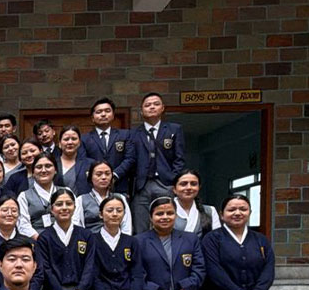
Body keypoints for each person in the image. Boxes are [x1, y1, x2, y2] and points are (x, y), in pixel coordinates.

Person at [131, 92, 186, 232]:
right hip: (142, 186)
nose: (152, 107)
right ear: (141, 111)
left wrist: (173, 179)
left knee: (165, 223)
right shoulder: (134, 133)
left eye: (156, 104)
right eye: (147, 105)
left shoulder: (174, 129)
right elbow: (131, 160)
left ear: (162, 108)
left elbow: (179, 158)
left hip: (165, 183)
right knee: (140, 226)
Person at [82, 97, 136, 195]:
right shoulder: (84, 139)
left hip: (120, 186)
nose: (103, 114)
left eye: (107, 111)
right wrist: (100, 174)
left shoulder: (125, 135)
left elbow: (130, 159)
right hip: (94, 189)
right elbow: (84, 160)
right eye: (99, 112)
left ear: (113, 115)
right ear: (92, 118)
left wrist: (114, 175)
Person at [80, 161, 132, 234]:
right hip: (90, 242)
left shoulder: (120, 198)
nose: (104, 177)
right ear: (90, 176)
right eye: (99, 174)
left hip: (116, 242)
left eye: (107, 174)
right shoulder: (81, 200)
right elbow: (78, 227)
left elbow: (126, 227)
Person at [172, 170, 222, 237]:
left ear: (199, 187)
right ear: (174, 189)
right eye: (183, 184)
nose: (189, 187)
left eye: (193, 184)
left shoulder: (210, 211)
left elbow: (216, 239)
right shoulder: (164, 210)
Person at [17, 154, 58, 235]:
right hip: (36, 242)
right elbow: (23, 225)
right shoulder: (24, 196)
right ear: (33, 172)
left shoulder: (66, 192)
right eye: (39, 167)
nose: (43, 170)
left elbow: (74, 220)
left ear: (55, 170)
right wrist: (40, 240)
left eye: (48, 166)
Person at [55, 126, 95, 195]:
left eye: (74, 139)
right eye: (66, 139)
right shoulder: (52, 164)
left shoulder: (90, 164)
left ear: (79, 143)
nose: (70, 142)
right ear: (60, 144)